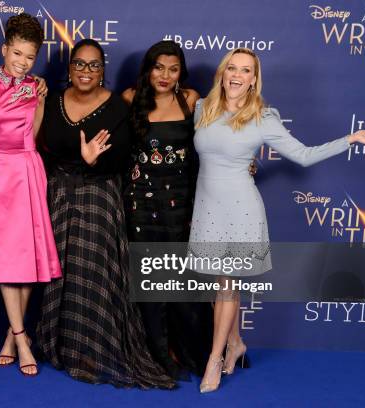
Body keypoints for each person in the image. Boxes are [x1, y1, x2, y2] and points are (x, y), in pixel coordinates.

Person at [191, 47, 365, 393]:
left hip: (241, 209)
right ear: (222, 72)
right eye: (232, 67)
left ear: (253, 80)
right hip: (206, 207)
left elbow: (304, 156)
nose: (237, 75)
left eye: (246, 71)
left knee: (227, 284)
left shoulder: (263, 118)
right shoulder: (203, 108)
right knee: (219, 284)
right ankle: (237, 344)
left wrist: (350, 138)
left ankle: (214, 359)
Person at [34, 39, 174, 389]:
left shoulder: (116, 107)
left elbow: (125, 157)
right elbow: (31, 142)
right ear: (69, 69)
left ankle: (92, 348)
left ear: (102, 71)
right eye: (79, 64)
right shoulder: (49, 102)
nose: (85, 71)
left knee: (91, 271)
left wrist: (96, 160)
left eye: (94, 65)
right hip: (55, 194)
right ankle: (61, 344)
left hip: (99, 192)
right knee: (57, 273)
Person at [0, 13, 61, 377]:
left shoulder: (37, 88)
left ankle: (9, 336)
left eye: (29, 57)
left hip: (28, 169)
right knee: (5, 258)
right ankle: (21, 338)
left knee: (29, 258)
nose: (22, 63)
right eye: (16, 53)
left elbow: (33, 135)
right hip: (0, 172)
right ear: (4, 49)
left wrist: (41, 96)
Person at [121, 40, 213, 380]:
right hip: (141, 203)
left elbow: (217, 139)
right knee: (150, 284)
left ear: (181, 73)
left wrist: (243, 162)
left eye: (173, 69)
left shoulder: (190, 100)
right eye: (159, 67)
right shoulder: (130, 99)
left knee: (184, 284)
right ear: (148, 68)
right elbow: (111, 148)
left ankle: (190, 352)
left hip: (183, 202)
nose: (165, 75)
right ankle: (158, 356)